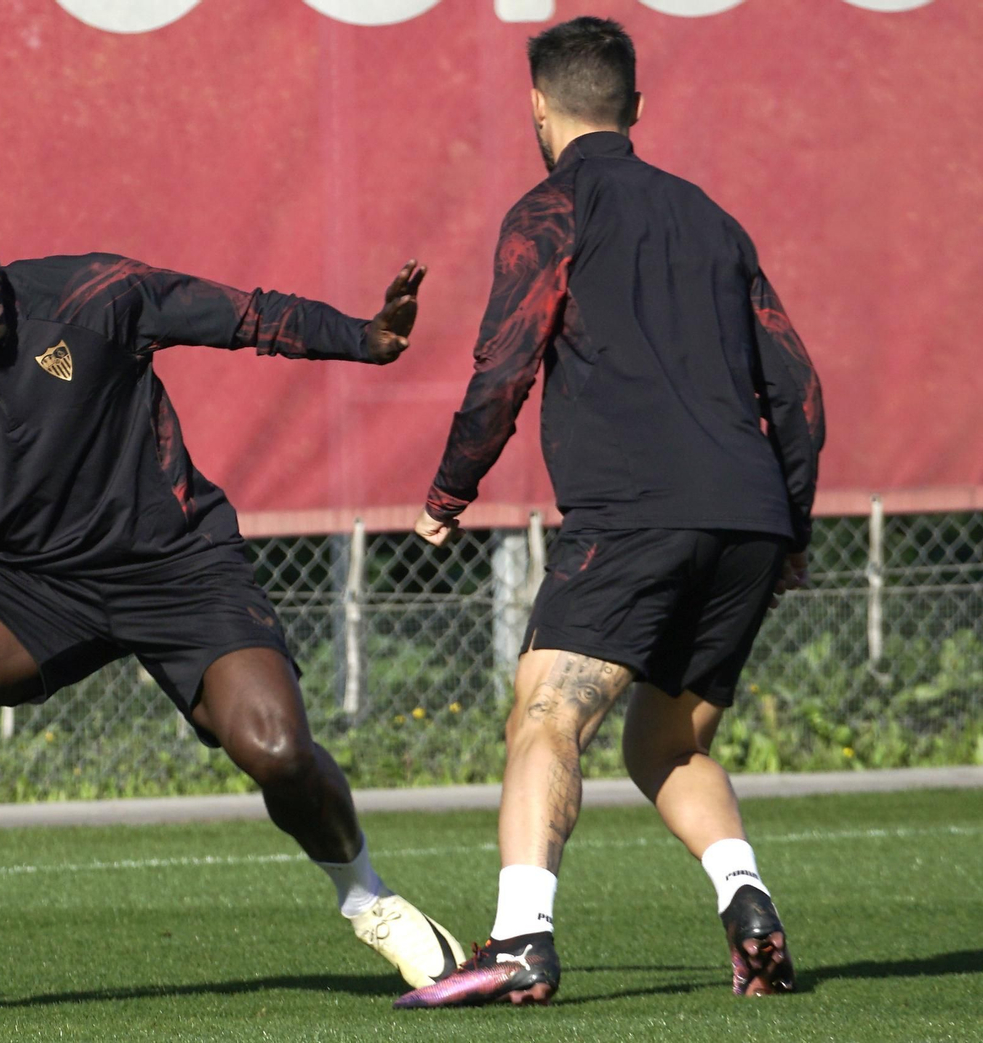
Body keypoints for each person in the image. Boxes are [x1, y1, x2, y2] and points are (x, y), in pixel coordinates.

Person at [0, 178, 462, 1020]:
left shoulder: (86, 295)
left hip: (177, 564)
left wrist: (363, 337)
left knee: (276, 747)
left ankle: (371, 899)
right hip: (27, 587)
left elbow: (241, 315)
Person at [397, 16, 824, 1008]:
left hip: (635, 513)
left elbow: (503, 362)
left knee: (546, 716)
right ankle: (748, 906)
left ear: (536, 105)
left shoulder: (551, 210)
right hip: (747, 514)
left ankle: (520, 942)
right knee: (667, 740)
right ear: (634, 108)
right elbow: (798, 390)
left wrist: (446, 494)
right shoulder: (711, 218)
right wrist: (789, 524)